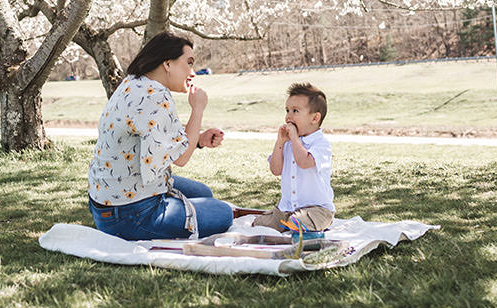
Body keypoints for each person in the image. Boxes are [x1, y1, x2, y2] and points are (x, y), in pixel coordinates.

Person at [87, 32, 233, 240]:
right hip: (131, 214)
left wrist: (198, 140)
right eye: (188, 63)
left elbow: (153, 133)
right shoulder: (157, 95)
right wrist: (198, 108)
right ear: (167, 63)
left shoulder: (133, 83)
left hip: (105, 205)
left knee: (203, 193)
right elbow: (181, 159)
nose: (192, 73)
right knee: (223, 212)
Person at [253, 82, 335, 232]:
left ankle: (300, 224)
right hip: (286, 208)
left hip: (317, 209)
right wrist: (280, 142)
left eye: (295, 111)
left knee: (295, 223)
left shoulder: (321, 144)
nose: (288, 116)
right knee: (259, 224)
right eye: (287, 110)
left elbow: (304, 162)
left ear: (315, 118)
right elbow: (276, 170)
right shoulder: (288, 141)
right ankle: (285, 222)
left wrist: (295, 139)